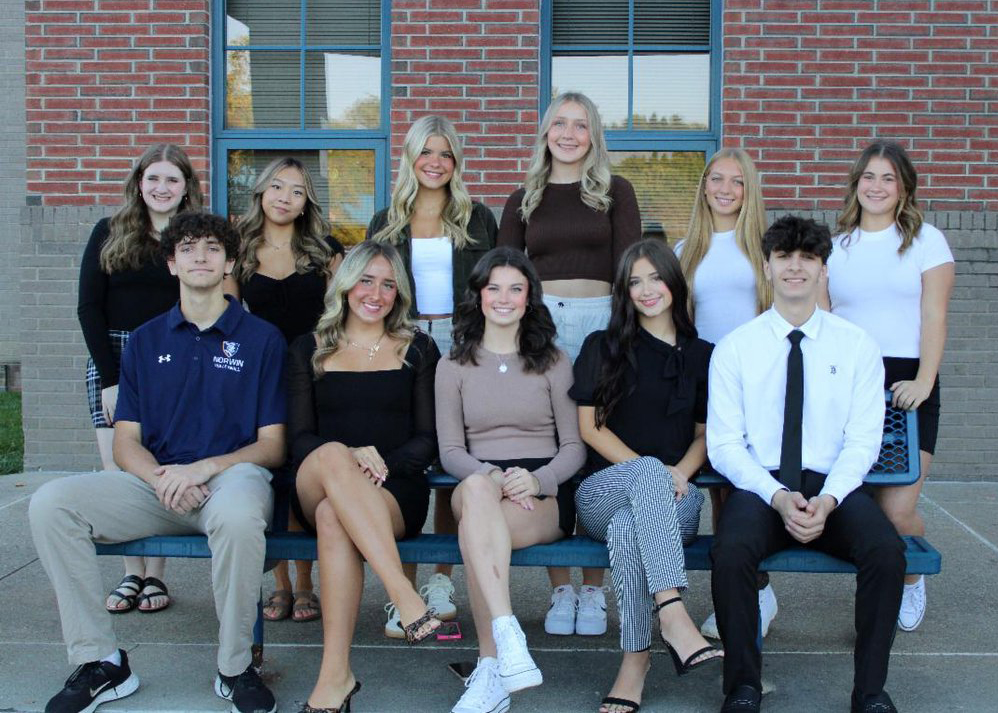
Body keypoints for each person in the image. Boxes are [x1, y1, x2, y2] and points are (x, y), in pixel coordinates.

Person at [32, 212, 287, 713]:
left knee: (237, 517)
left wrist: (204, 469)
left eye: (212, 248)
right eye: (187, 248)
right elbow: (126, 442)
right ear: (171, 263)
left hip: (232, 478)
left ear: (230, 261)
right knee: (51, 504)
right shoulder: (146, 341)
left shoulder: (262, 339)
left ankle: (235, 668)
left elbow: (272, 445)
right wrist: (163, 477)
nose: (200, 256)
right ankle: (101, 662)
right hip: (158, 483)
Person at [707, 215, 905, 713]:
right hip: (761, 486)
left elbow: (863, 440)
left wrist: (829, 498)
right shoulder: (736, 348)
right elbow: (726, 444)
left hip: (831, 486)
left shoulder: (857, 346)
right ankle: (743, 687)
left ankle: (871, 693)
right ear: (768, 268)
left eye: (808, 258)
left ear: (823, 270)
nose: (795, 267)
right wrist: (775, 495)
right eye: (784, 257)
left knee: (886, 552)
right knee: (730, 552)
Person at [499, 91, 641, 635]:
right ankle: (561, 588)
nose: (568, 133)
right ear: (545, 133)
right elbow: (505, 272)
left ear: (593, 136)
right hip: (541, 323)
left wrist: (622, 333)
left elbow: (630, 266)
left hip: (603, 319)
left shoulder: (616, 191)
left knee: (599, 441)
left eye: (580, 125)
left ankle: (596, 589)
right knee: (548, 441)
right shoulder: (523, 199)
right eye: (559, 123)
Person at [287, 240, 441, 713]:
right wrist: (351, 457)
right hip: (317, 477)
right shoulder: (309, 347)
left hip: (393, 492)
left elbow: (427, 439)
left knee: (338, 516)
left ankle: (335, 680)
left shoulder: (418, 349)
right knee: (334, 457)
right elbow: (299, 438)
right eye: (366, 280)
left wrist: (383, 466)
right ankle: (402, 594)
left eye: (389, 284)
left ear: (400, 293)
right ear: (346, 284)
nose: (376, 293)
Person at [571, 239, 723, 713]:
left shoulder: (704, 355)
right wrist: (650, 471)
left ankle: (635, 661)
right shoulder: (604, 346)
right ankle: (673, 613)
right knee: (633, 495)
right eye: (634, 282)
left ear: (674, 282)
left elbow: (705, 435)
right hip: (603, 491)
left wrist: (677, 472)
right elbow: (588, 427)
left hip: (678, 496)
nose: (646, 289)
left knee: (628, 529)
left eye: (655, 277)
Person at [437, 247, 586, 713]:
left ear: (529, 298)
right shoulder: (452, 366)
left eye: (515, 289)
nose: (504, 298)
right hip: (477, 481)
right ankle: (507, 634)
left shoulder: (554, 361)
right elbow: (450, 451)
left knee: (476, 535)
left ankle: (491, 666)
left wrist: (539, 480)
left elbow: (574, 447)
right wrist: (491, 476)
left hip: (539, 491)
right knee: (479, 499)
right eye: (494, 288)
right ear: (478, 296)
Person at [368, 115, 498, 636]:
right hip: (404, 341)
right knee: (406, 450)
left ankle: (440, 580)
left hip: (461, 339)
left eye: (445, 153)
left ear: (456, 160)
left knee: (453, 450)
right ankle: (403, 588)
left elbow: (493, 285)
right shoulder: (386, 219)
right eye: (427, 152)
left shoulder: (478, 218)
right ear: (410, 158)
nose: (436, 163)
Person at [824, 140, 954, 633]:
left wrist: (923, 379)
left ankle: (911, 580)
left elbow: (934, 315)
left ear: (903, 189)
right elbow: (826, 319)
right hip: (851, 384)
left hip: (908, 386)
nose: (876, 187)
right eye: (869, 177)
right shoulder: (837, 248)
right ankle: (879, 587)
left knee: (896, 512)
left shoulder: (927, 242)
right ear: (856, 184)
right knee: (858, 509)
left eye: (888, 178)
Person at [77, 143, 204, 616]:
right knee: (118, 468)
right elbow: (89, 306)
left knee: (162, 462)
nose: (162, 188)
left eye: (172, 179)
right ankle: (131, 572)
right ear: (139, 183)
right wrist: (110, 379)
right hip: (112, 356)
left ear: (187, 186)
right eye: (154, 178)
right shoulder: (109, 232)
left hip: (171, 356)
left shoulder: (193, 237)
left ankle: (156, 575)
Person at [232, 156, 345, 625]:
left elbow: (343, 313)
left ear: (305, 204)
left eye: (296, 191)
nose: (284, 197)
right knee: (266, 478)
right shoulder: (237, 250)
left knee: (302, 474)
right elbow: (230, 319)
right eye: (277, 187)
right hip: (255, 379)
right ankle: (278, 584)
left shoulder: (325, 251)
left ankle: (306, 583)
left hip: (310, 378)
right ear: (261, 192)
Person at [675, 148, 777, 640]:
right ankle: (743, 589)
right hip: (705, 380)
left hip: (757, 379)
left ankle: (757, 589)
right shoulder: (684, 250)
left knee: (747, 486)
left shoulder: (764, 248)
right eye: (716, 179)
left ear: (749, 190)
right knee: (719, 487)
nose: (725, 189)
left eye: (737, 181)